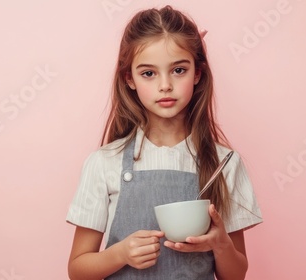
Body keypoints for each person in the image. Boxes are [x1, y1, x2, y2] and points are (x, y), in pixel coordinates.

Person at [66, 5, 262, 279]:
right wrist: (120, 254)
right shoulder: (103, 163)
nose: (165, 85)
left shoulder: (224, 163)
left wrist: (220, 244)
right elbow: (77, 270)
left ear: (197, 73)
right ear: (129, 78)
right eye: (149, 73)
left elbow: (236, 275)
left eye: (179, 69)